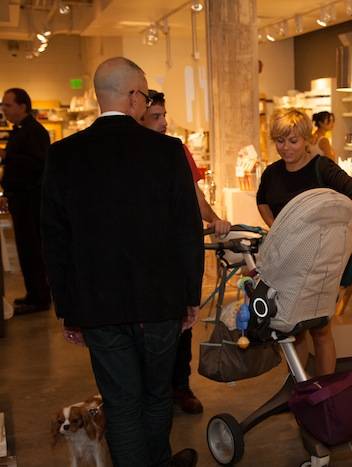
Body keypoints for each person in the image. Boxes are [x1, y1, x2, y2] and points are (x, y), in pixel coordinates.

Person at [41, 57, 203, 467]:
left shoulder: (63, 155)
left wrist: (68, 310)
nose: (145, 103)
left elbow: (55, 242)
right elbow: (187, 230)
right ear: (133, 96)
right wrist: (190, 296)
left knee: (121, 403)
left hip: (98, 307)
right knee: (156, 395)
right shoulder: (167, 151)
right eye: (145, 96)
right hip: (160, 302)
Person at [141, 89, 231, 414]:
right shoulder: (130, 153)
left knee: (183, 323)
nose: (164, 122)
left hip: (176, 255)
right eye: (156, 117)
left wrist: (215, 219)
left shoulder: (176, 149)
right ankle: (152, 393)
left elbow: (195, 195)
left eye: (164, 115)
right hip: (143, 256)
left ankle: (180, 387)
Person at [256, 108, 352, 376]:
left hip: (320, 263)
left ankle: (325, 390)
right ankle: (300, 386)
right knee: (295, 329)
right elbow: (262, 201)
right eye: (280, 141)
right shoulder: (272, 172)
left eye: (293, 141)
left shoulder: (321, 167)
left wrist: (334, 229)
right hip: (288, 261)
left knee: (321, 329)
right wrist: (277, 228)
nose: (286, 148)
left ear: (306, 140)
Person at [0, 88, 52, 314]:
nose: (4, 109)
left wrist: (8, 158)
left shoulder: (33, 132)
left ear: (22, 106)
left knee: (32, 249)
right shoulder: (21, 130)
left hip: (30, 201)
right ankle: (34, 293)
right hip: (22, 199)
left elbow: (38, 165)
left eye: (8, 105)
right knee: (26, 248)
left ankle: (39, 297)